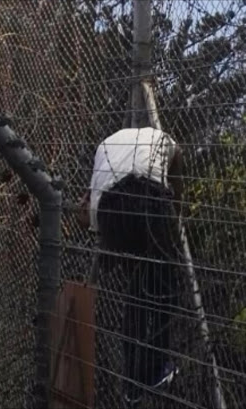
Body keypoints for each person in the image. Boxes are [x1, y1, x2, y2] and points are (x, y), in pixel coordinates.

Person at [78, 127, 184, 405]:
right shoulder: (161, 138)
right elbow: (178, 157)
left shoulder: (104, 145)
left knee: (135, 294)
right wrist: (176, 201)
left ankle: (132, 381)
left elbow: (88, 204)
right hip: (148, 198)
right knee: (166, 286)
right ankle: (157, 367)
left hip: (111, 211)